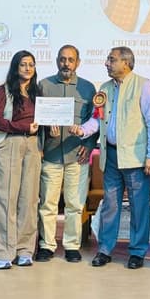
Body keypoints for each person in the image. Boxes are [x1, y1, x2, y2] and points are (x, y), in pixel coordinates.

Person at [70, 46, 150, 269]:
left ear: (126, 63)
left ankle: (137, 252)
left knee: (139, 207)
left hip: (136, 157)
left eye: (111, 60)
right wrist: (82, 130)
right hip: (110, 155)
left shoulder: (143, 85)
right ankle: (105, 249)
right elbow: (97, 119)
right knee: (110, 205)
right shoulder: (105, 88)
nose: (106, 63)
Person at [35, 45, 98, 263]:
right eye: (63, 59)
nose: (66, 64)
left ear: (78, 63)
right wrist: (43, 135)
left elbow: (95, 120)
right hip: (51, 154)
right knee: (48, 204)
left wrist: (89, 146)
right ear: (57, 61)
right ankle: (46, 245)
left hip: (77, 156)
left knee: (75, 204)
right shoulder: (44, 85)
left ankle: (72, 245)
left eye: (71, 60)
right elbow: (36, 119)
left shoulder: (88, 88)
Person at [0, 50, 41, 269]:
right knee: (4, 199)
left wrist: (51, 128)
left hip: (33, 146)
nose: (27, 68)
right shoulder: (4, 90)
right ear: (15, 67)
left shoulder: (38, 92)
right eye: (23, 64)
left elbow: (44, 119)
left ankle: (24, 250)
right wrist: (22, 126)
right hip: (8, 143)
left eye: (31, 64)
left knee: (29, 200)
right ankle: (2, 252)